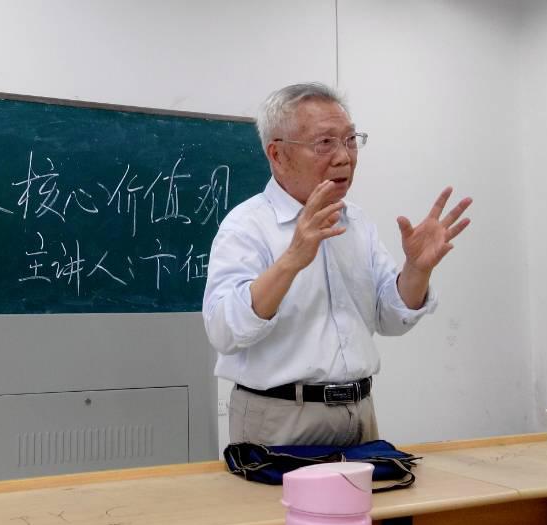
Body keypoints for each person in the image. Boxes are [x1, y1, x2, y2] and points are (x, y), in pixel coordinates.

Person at [202, 83, 472, 447]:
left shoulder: (356, 222)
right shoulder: (246, 225)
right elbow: (223, 332)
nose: (344, 157)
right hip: (280, 417)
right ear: (277, 154)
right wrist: (292, 260)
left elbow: (390, 319)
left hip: (359, 412)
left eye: (350, 140)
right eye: (325, 143)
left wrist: (417, 270)